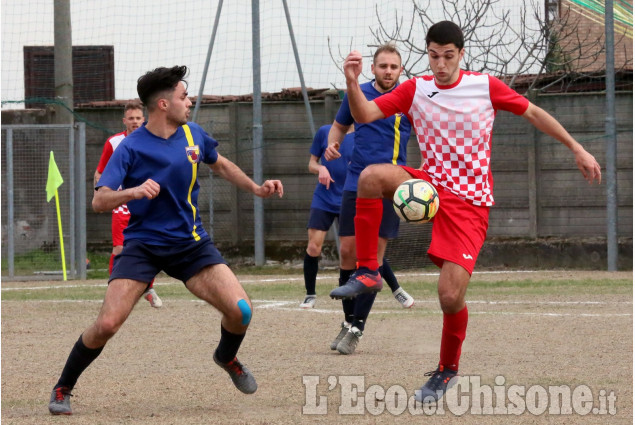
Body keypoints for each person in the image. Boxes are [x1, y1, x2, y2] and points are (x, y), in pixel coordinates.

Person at [330, 21, 602, 401]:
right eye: (433, 56)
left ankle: (446, 370)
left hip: (470, 202)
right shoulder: (416, 88)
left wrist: (577, 147)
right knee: (371, 177)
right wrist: (351, 79)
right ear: (427, 54)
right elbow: (365, 115)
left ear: (461, 54)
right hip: (429, 184)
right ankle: (368, 272)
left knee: (449, 296)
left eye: (448, 56)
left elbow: (534, 113)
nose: (440, 64)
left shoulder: (484, 86)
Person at [48, 65, 284, 415]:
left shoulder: (193, 135)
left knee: (241, 311)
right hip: (143, 246)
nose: (189, 102)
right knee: (108, 323)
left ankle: (226, 356)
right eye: (183, 96)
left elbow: (220, 164)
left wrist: (255, 187)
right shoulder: (130, 148)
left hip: (191, 244)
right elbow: (100, 200)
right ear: (162, 104)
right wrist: (133, 191)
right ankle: (63, 387)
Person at [325, 44, 415, 356]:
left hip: (390, 186)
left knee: (373, 261)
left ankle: (357, 328)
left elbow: (429, 134)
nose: (388, 71)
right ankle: (348, 321)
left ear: (400, 70)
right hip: (355, 182)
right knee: (348, 255)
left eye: (394, 67)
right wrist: (332, 145)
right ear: (373, 69)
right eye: (383, 66)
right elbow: (339, 126)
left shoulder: (409, 99)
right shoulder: (358, 93)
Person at [94, 100, 162, 308]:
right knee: (119, 248)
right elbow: (100, 172)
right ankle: (113, 291)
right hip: (123, 205)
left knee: (150, 248)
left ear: (144, 119)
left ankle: (148, 288)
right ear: (124, 121)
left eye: (138, 118)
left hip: (147, 205)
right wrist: (104, 193)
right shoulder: (114, 143)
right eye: (131, 118)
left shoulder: (153, 141)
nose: (134, 122)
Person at [299, 124, 354, 309]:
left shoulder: (364, 134)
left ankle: (347, 292)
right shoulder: (325, 132)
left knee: (351, 251)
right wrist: (321, 168)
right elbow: (311, 163)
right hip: (324, 197)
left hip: (349, 198)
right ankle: (310, 294)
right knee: (314, 246)